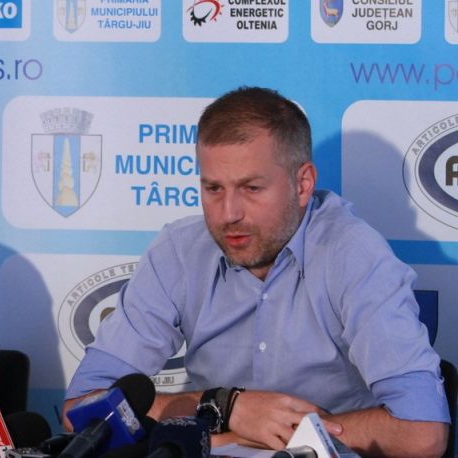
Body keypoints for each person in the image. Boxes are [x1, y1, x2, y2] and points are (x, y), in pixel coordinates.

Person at [62, 87, 449, 457]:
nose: (229, 214)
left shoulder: (353, 254)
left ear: (303, 184)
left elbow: (422, 434)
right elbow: (81, 410)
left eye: (251, 188)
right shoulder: (178, 251)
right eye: (214, 189)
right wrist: (223, 407)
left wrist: (283, 433)